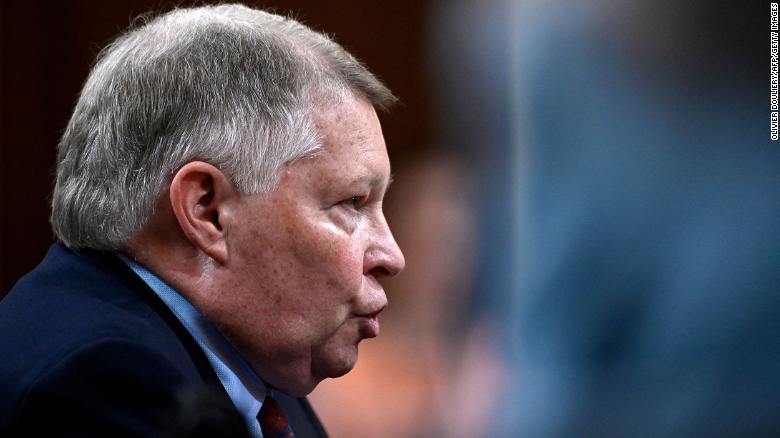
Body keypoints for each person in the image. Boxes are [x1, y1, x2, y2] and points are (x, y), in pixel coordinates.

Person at [0, 4, 404, 437]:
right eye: (352, 203)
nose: (392, 256)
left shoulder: (256, 372)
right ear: (208, 211)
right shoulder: (103, 384)